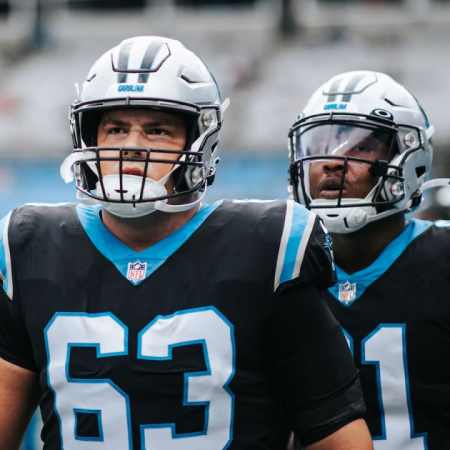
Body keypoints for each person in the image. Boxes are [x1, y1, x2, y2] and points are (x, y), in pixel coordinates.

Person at [0, 37, 372, 450]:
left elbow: (339, 439)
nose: (131, 146)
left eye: (157, 130)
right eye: (115, 129)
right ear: (88, 137)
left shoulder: (265, 247)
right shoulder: (32, 246)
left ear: (200, 142)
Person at [288, 70, 450, 449]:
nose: (331, 160)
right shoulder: (278, 265)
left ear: (409, 158)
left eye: (360, 146)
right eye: (319, 144)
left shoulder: (442, 258)